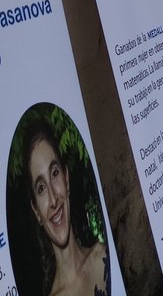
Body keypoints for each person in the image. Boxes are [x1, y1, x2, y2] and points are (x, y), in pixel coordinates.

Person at [20, 121, 110, 296]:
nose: (53, 199)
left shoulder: (104, 258)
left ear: (67, 180)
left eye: (54, 173)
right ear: (36, 211)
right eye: (41, 188)